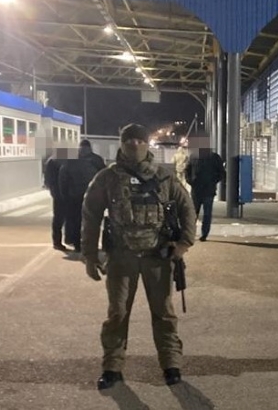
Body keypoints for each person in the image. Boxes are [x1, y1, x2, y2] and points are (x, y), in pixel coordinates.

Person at [80, 124, 196, 390]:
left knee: (163, 313)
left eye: (140, 140)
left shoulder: (164, 176)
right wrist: (89, 255)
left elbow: (186, 208)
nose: (134, 144)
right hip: (121, 257)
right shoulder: (107, 178)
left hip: (158, 257)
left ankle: (171, 365)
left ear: (147, 144)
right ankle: (112, 368)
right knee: (118, 314)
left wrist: (183, 244)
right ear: (121, 144)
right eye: (129, 140)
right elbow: (90, 215)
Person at [58, 140, 105, 252]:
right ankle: (91, 244)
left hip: (74, 196)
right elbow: (103, 177)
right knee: (93, 221)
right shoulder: (96, 160)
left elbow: (63, 178)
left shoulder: (71, 161)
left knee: (76, 221)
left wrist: (64, 195)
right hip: (92, 196)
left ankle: (77, 244)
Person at [185, 140, 224, 241]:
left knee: (204, 214)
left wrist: (212, 181)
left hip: (206, 190)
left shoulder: (214, 157)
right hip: (199, 190)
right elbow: (187, 170)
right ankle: (193, 233)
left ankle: (203, 234)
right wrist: (191, 181)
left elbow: (221, 173)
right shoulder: (194, 156)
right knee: (195, 213)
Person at [44, 146, 69, 251]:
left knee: (58, 217)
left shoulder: (51, 161)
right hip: (67, 193)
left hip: (57, 193)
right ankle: (67, 239)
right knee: (68, 217)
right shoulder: (66, 162)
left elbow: (47, 179)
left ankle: (57, 241)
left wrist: (52, 189)